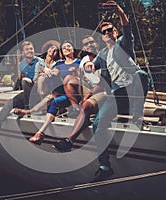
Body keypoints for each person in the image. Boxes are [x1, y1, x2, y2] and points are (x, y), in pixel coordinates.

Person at [63, 1, 148, 182]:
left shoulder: (124, 44)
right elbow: (91, 66)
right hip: (116, 94)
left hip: (133, 89)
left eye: (111, 30)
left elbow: (127, 27)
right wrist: (87, 65)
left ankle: (137, 116)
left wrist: (119, 11)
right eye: (105, 31)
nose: (108, 32)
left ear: (116, 33)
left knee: (141, 74)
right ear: (102, 37)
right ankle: (104, 166)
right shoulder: (102, 54)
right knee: (97, 125)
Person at [16, 40, 81, 144]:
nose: (66, 48)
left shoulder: (79, 62)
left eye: (69, 46)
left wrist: (75, 71)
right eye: (64, 48)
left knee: (63, 84)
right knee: (53, 98)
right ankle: (40, 133)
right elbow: (54, 72)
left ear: (73, 49)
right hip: (63, 93)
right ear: (62, 52)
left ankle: (29, 111)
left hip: (76, 92)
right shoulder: (60, 63)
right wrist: (47, 71)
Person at [0, 41, 43, 135]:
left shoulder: (40, 61)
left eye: (31, 49)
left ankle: (27, 107)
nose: (30, 51)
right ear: (23, 52)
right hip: (27, 91)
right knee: (9, 103)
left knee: (26, 81)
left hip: (38, 91)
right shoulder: (21, 64)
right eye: (27, 49)